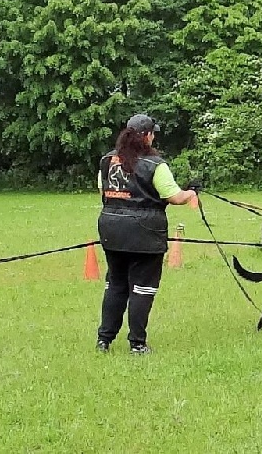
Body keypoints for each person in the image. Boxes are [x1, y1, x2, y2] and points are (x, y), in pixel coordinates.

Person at [96, 114, 200, 354]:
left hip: (111, 229)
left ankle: (104, 339)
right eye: (153, 133)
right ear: (146, 136)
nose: (154, 137)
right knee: (142, 288)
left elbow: (104, 191)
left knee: (115, 284)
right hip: (145, 232)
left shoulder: (106, 160)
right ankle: (137, 344)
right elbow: (173, 197)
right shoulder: (155, 164)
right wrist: (191, 192)